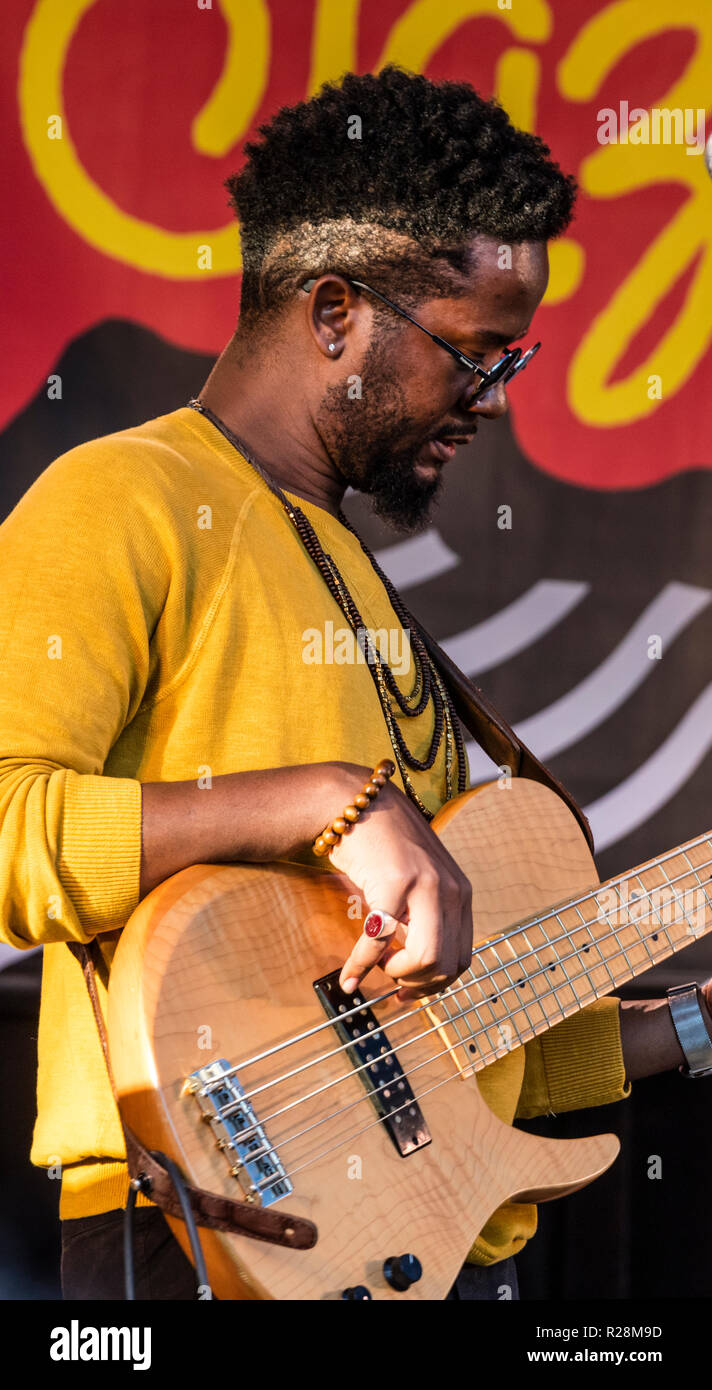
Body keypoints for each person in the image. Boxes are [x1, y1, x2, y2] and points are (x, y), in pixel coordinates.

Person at [1, 65, 709, 1302]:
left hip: (416, 1250)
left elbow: (457, 1043)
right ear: (335, 311)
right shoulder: (124, 498)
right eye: (475, 353)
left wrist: (696, 1024)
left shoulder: (359, 588)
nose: (491, 399)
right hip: (198, 1234)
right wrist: (326, 799)